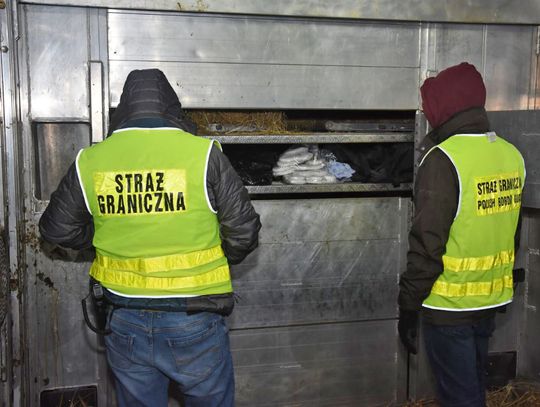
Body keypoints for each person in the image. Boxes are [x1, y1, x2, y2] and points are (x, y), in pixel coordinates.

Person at [39, 69, 261, 407]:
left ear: (123, 109)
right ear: (172, 107)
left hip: (123, 317)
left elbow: (55, 229)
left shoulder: (92, 159)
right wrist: (215, 256)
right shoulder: (203, 155)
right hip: (194, 316)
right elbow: (243, 232)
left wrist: (102, 238)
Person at [397, 62, 525, 407]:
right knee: (471, 390)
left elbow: (427, 244)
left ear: (446, 107)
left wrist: (408, 306)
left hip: (448, 305)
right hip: (489, 300)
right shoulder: (510, 154)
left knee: (460, 398)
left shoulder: (444, 159)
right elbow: (512, 232)